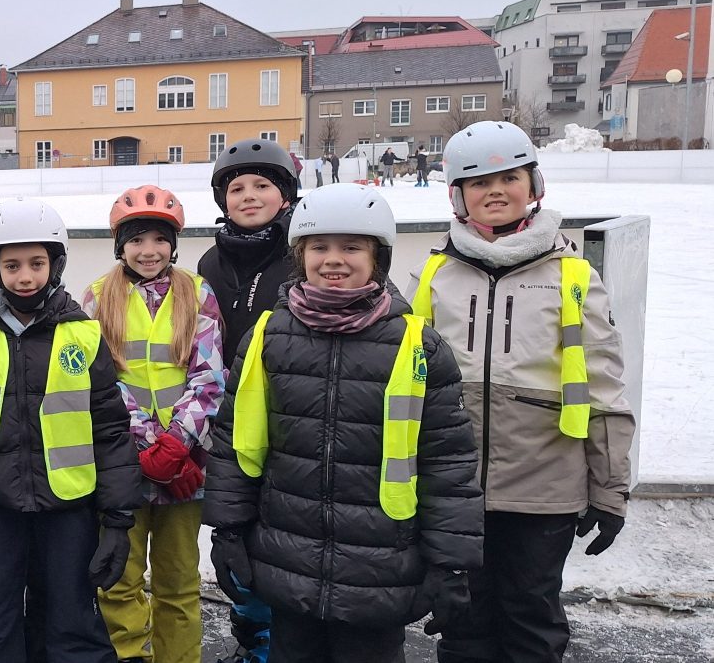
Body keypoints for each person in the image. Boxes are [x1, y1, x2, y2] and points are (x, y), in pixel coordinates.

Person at [206, 183, 484, 663]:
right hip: (288, 559)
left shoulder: (418, 345)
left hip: (379, 568)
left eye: (352, 247)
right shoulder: (268, 336)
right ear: (300, 257)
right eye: (319, 247)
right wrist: (227, 530)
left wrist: (451, 564)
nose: (333, 260)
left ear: (378, 258)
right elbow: (235, 442)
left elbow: (448, 461)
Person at [408, 121, 635, 663]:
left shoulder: (572, 275)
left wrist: (610, 488)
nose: (495, 191)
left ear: (534, 185)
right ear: (458, 196)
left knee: (531, 615)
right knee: (463, 620)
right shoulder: (434, 274)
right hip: (455, 486)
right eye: (479, 182)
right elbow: (406, 383)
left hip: (544, 487)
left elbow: (603, 386)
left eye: (509, 177)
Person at [0, 196, 142, 663]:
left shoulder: (83, 334)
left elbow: (110, 429)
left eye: (37, 263)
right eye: (12, 265)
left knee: (72, 625)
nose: (25, 276)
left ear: (55, 264)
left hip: (68, 510)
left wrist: (117, 521)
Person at [84, 186, 223, 663]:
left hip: (185, 465)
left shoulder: (197, 293)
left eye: (160, 239)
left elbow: (209, 376)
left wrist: (177, 445)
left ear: (174, 244)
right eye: (137, 239)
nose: (149, 251)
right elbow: (99, 378)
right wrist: (147, 443)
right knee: (119, 579)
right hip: (123, 462)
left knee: (178, 582)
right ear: (119, 246)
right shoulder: (98, 298)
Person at [195, 138, 301, 663]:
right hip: (231, 422)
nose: (249, 196)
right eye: (237, 188)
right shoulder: (210, 263)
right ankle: (254, 641)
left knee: (289, 539)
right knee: (237, 537)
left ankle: (291, 643)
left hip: (292, 418)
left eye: (263, 185)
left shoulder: (302, 255)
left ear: (286, 196)